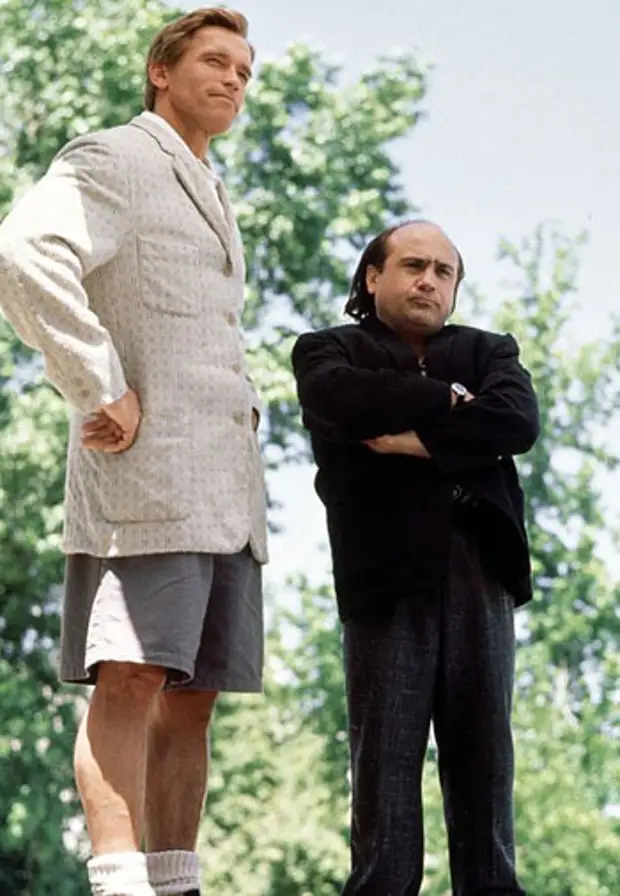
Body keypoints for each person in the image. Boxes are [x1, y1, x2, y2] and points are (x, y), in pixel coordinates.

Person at [0, 8, 267, 896]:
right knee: (132, 676)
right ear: (161, 69)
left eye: (244, 71)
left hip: (226, 492)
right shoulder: (115, 157)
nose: (234, 80)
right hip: (148, 479)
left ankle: (176, 883)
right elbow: (24, 252)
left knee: (194, 699)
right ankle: (119, 885)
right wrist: (98, 383)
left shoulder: (211, 186)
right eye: (216, 61)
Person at [291, 219, 539, 896]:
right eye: (413, 266)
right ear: (373, 277)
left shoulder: (489, 350)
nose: (429, 280)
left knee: (485, 760)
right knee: (385, 765)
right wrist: (447, 400)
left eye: (443, 271)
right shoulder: (328, 350)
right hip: (385, 573)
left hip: (481, 566)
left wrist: (414, 440)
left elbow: (516, 421)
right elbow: (338, 399)